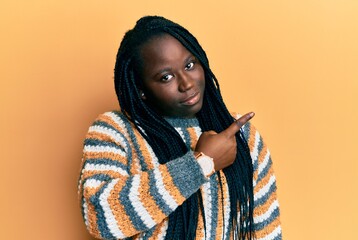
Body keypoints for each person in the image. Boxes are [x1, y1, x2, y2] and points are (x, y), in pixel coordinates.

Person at [78, 16, 282, 240]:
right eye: (166, 77)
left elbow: (266, 230)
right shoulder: (115, 131)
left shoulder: (241, 135)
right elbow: (99, 216)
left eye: (189, 65)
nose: (186, 83)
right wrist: (201, 164)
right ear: (141, 89)